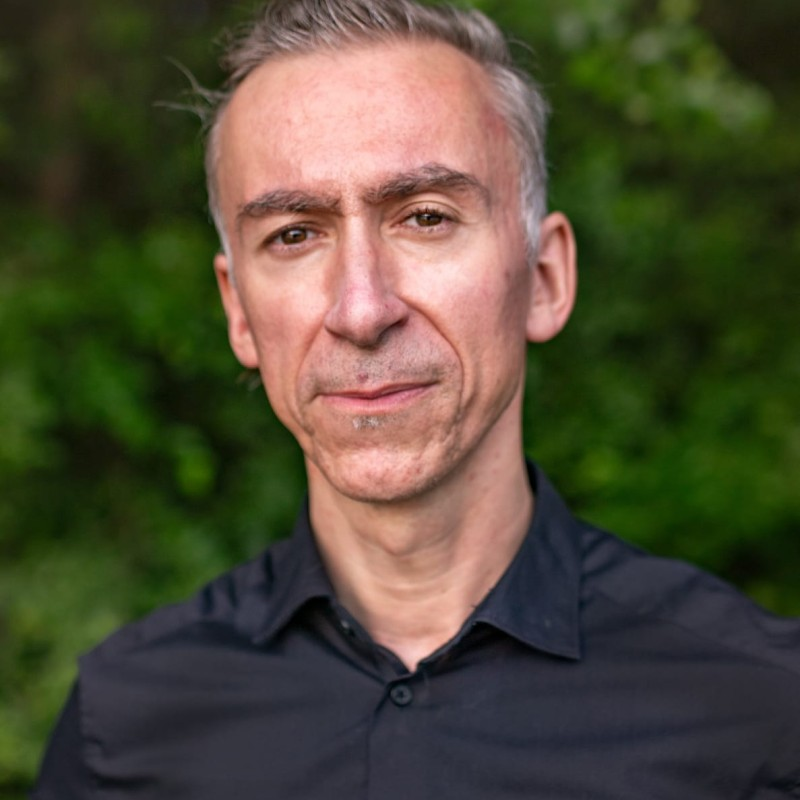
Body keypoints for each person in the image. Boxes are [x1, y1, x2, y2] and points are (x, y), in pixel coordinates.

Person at [32, 0, 800, 797]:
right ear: (239, 313)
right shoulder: (124, 731)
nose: (362, 309)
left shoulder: (761, 718)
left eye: (425, 218)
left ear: (544, 278)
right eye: (294, 234)